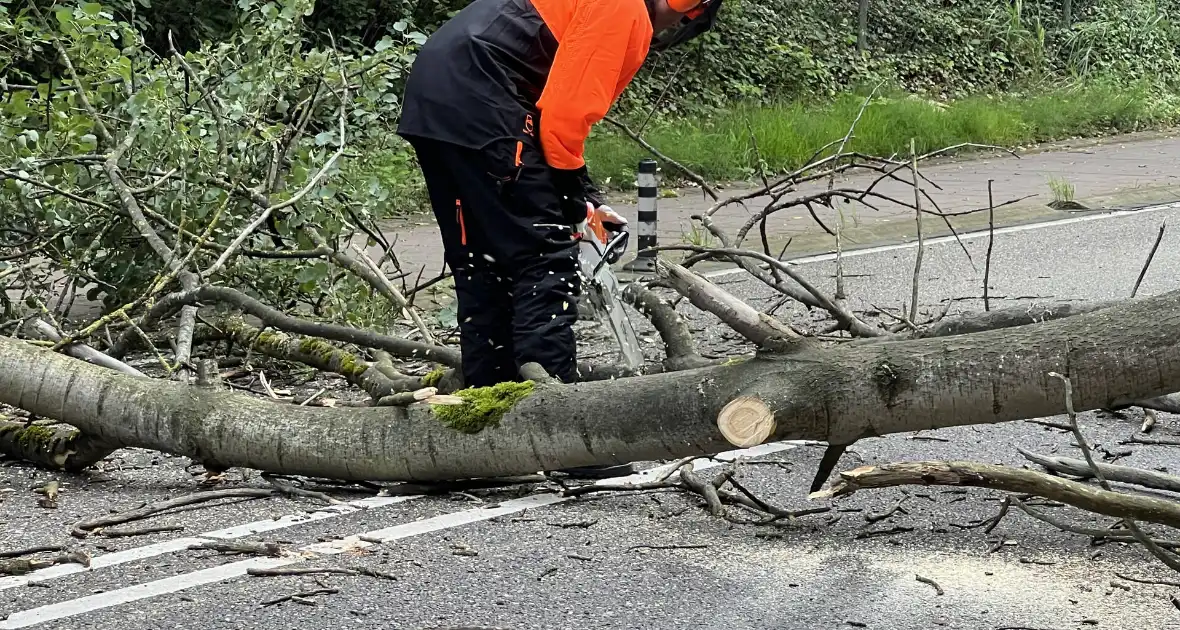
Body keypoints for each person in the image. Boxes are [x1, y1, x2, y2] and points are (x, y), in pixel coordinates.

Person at [397, 0, 722, 476]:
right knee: (542, 260)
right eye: (682, 20)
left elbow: (553, 112)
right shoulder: (626, 9)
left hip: (439, 96)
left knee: (482, 265)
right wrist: (566, 194)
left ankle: (488, 433)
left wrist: (583, 197)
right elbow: (566, 113)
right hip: (485, 92)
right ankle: (564, 436)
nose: (673, 27)